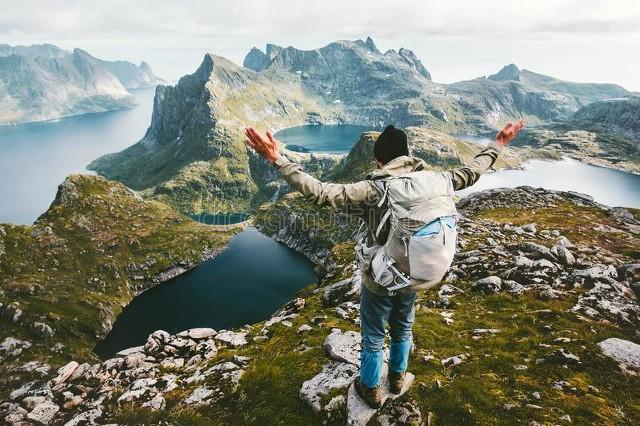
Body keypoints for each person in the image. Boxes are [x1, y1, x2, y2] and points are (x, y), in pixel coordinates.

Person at [244, 120, 524, 408]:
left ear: (379, 159)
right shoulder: (440, 179)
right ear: (407, 155)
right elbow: (473, 171)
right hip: (414, 273)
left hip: (380, 280)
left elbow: (321, 192)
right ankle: (397, 379)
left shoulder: (375, 189)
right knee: (403, 329)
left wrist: (277, 159)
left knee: (374, 336)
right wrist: (499, 142)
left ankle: (370, 390)